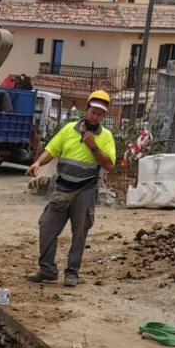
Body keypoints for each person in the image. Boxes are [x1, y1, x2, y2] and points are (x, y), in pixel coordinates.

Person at [25, 90, 116, 286]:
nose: (95, 116)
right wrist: (37, 164)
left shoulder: (106, 137)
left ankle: (72, 272)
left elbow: (109, 165)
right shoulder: (68, 130)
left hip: (86, 189)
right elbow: (51, 150)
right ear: (87, 110)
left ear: (103, 116)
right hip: (63, 187)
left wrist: (92, 146)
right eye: (93, 112)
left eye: (100, 114)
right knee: (46, 226)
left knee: (80, 231)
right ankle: (47, 269)